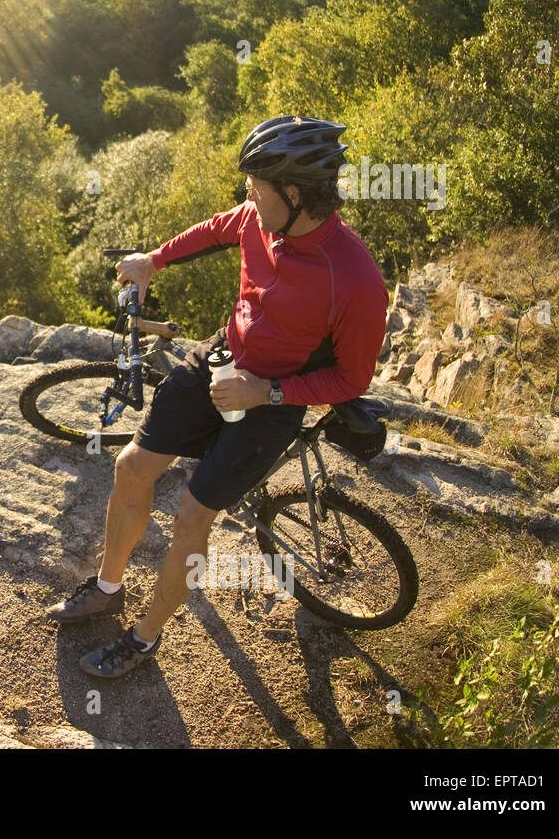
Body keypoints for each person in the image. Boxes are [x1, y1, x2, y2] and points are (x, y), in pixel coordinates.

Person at [46, 115, 390, 678]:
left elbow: (352, 381)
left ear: (296, 194)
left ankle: (143, 639)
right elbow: (215, 228)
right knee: (132, 465)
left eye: (257, 188)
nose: (248, 198)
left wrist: (268, 391)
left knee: (192, 513)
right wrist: (152, 259)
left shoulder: (354, 279)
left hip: (274, 401)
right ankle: (108, 588)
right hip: (221, 359)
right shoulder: (262, 217)